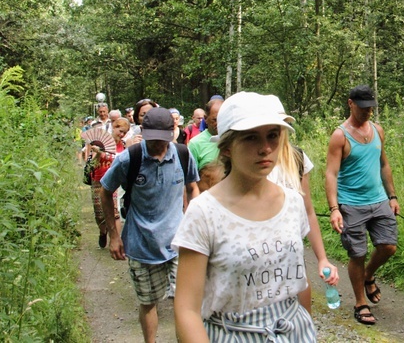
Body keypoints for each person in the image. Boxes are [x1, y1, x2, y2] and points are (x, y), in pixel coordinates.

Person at [172, 91, 317, 342]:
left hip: (293, 330)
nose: (266, 148)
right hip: (233, 333)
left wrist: (306, 328)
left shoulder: (292, 202)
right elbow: (187, 310)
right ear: (227, 147)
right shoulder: (205, 213)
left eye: (273, 135)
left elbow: (298, 280)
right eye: (251, 138)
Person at [99, 107, 200, 343]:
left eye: (163, 140)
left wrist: (194, 219)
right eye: (152, 139)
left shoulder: (182, 155)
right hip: (141, 245)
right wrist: (114, 236)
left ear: (173, 132)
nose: (158, 145)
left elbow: (193, 186)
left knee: (184, 304)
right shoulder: (130, 159)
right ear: (143, 132)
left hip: (178, 244)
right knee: (148, 302)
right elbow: (106, 191)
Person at [325, 84, 399, 326]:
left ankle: (368, 275)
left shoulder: (378, 130)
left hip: (379, 201)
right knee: (357, 253)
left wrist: (393, 196)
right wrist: (334, 209)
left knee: (388, 246)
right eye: (363, 107)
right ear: (350, 104)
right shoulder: (340, 136)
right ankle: (360, 302)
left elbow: (384, 164)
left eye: (371, 108)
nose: (368, 112)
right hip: (351, 204)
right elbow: (331, 174)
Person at [262, 93, 339, 313]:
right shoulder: (254, 163)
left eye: (279, 128)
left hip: (291, 250)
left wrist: (322, 259)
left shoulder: (297, 159)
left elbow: (308, 212)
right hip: (259, 253)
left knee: (300, 318)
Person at [88, 117, 129, 248]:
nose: (121, 134)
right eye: (120, 130)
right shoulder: (101, 142)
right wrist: (98, 154)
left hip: (114, 180)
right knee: (99, 212)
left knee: (115, 211)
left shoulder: (123, 145)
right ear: (114, 127)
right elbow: (91, 163)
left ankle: (116, 238)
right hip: (98, 179)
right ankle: (102, 232)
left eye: (124, 132)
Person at [187, 98, 224, 192]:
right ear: (206, 119)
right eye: (215, 120)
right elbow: (190, 182)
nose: (219, 123)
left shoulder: (235, 140)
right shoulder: (195, 144)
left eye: (222, 118)